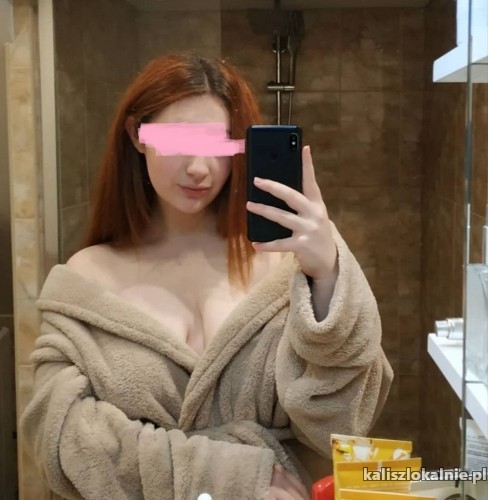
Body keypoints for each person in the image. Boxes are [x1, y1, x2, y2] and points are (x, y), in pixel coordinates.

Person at [20, 53, 393, 500]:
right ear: (137, 135)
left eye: (220, 144)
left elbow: (344, 422)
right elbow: (61, 439)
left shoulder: (284, 266)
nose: (200, 167)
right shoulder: (87, 278)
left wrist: (328, 276)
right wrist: (228, 475)